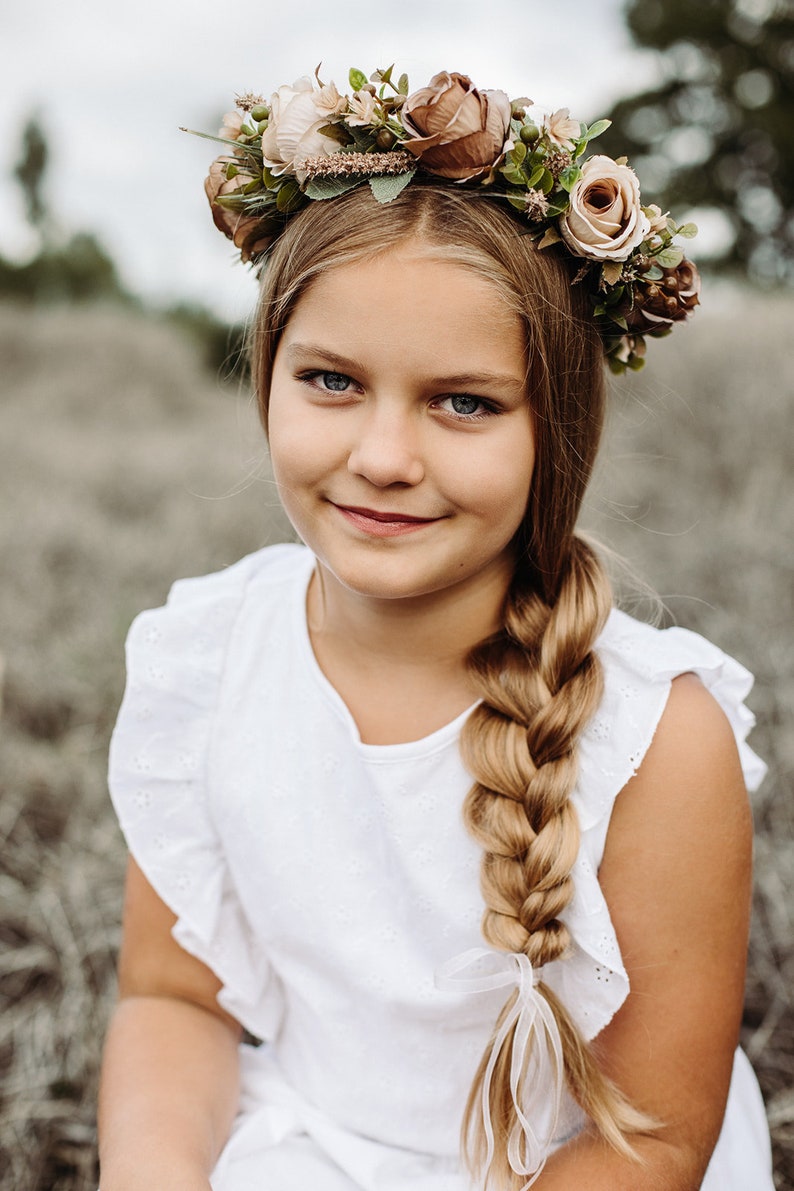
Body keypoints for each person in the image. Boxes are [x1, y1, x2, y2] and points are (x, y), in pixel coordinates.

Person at [98, 67, 775, 1190]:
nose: (382, 457)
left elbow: (647, 1136)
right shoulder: (205, 660)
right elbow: (172, 998)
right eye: (329, 381)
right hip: (314, 1143)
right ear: (265, 377)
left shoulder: (658, 741)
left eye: (463, 400)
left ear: (553, 427)